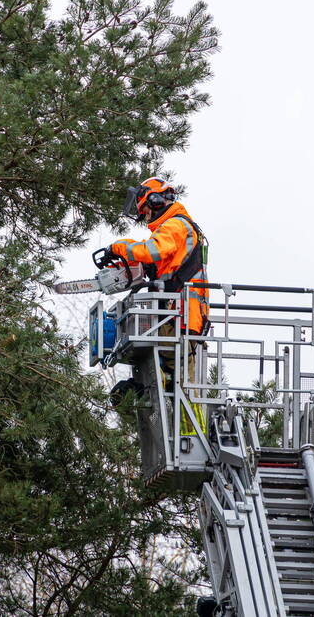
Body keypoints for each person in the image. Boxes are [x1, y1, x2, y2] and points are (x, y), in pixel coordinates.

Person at [109, 177, 209, 435]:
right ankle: (181, 434)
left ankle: (191, 437)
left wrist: (119, 247)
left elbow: (151, 251)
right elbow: (159, 265)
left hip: (181, 317)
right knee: (169, 379)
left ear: (156, 200)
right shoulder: (176, 229)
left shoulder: (176, 225)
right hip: (174, 315)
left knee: (181, 384)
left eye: (145, 210)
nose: (145, 216)